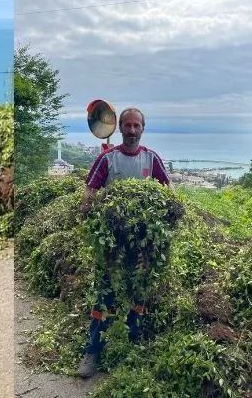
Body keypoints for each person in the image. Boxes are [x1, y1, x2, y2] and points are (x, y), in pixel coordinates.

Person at [77, 107, 171, 378]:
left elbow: (168, 193)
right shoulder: (108, 159)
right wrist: (95, 215)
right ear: (120, 128)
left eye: (136, 126)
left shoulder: (151, 159)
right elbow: (90, 192)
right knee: (104, 296)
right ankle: (93, 351)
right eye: (127, 125)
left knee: (137, 293)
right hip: (112, 245)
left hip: (143, 245)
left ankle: (132, 348)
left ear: (143, 128)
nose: (131, 130)